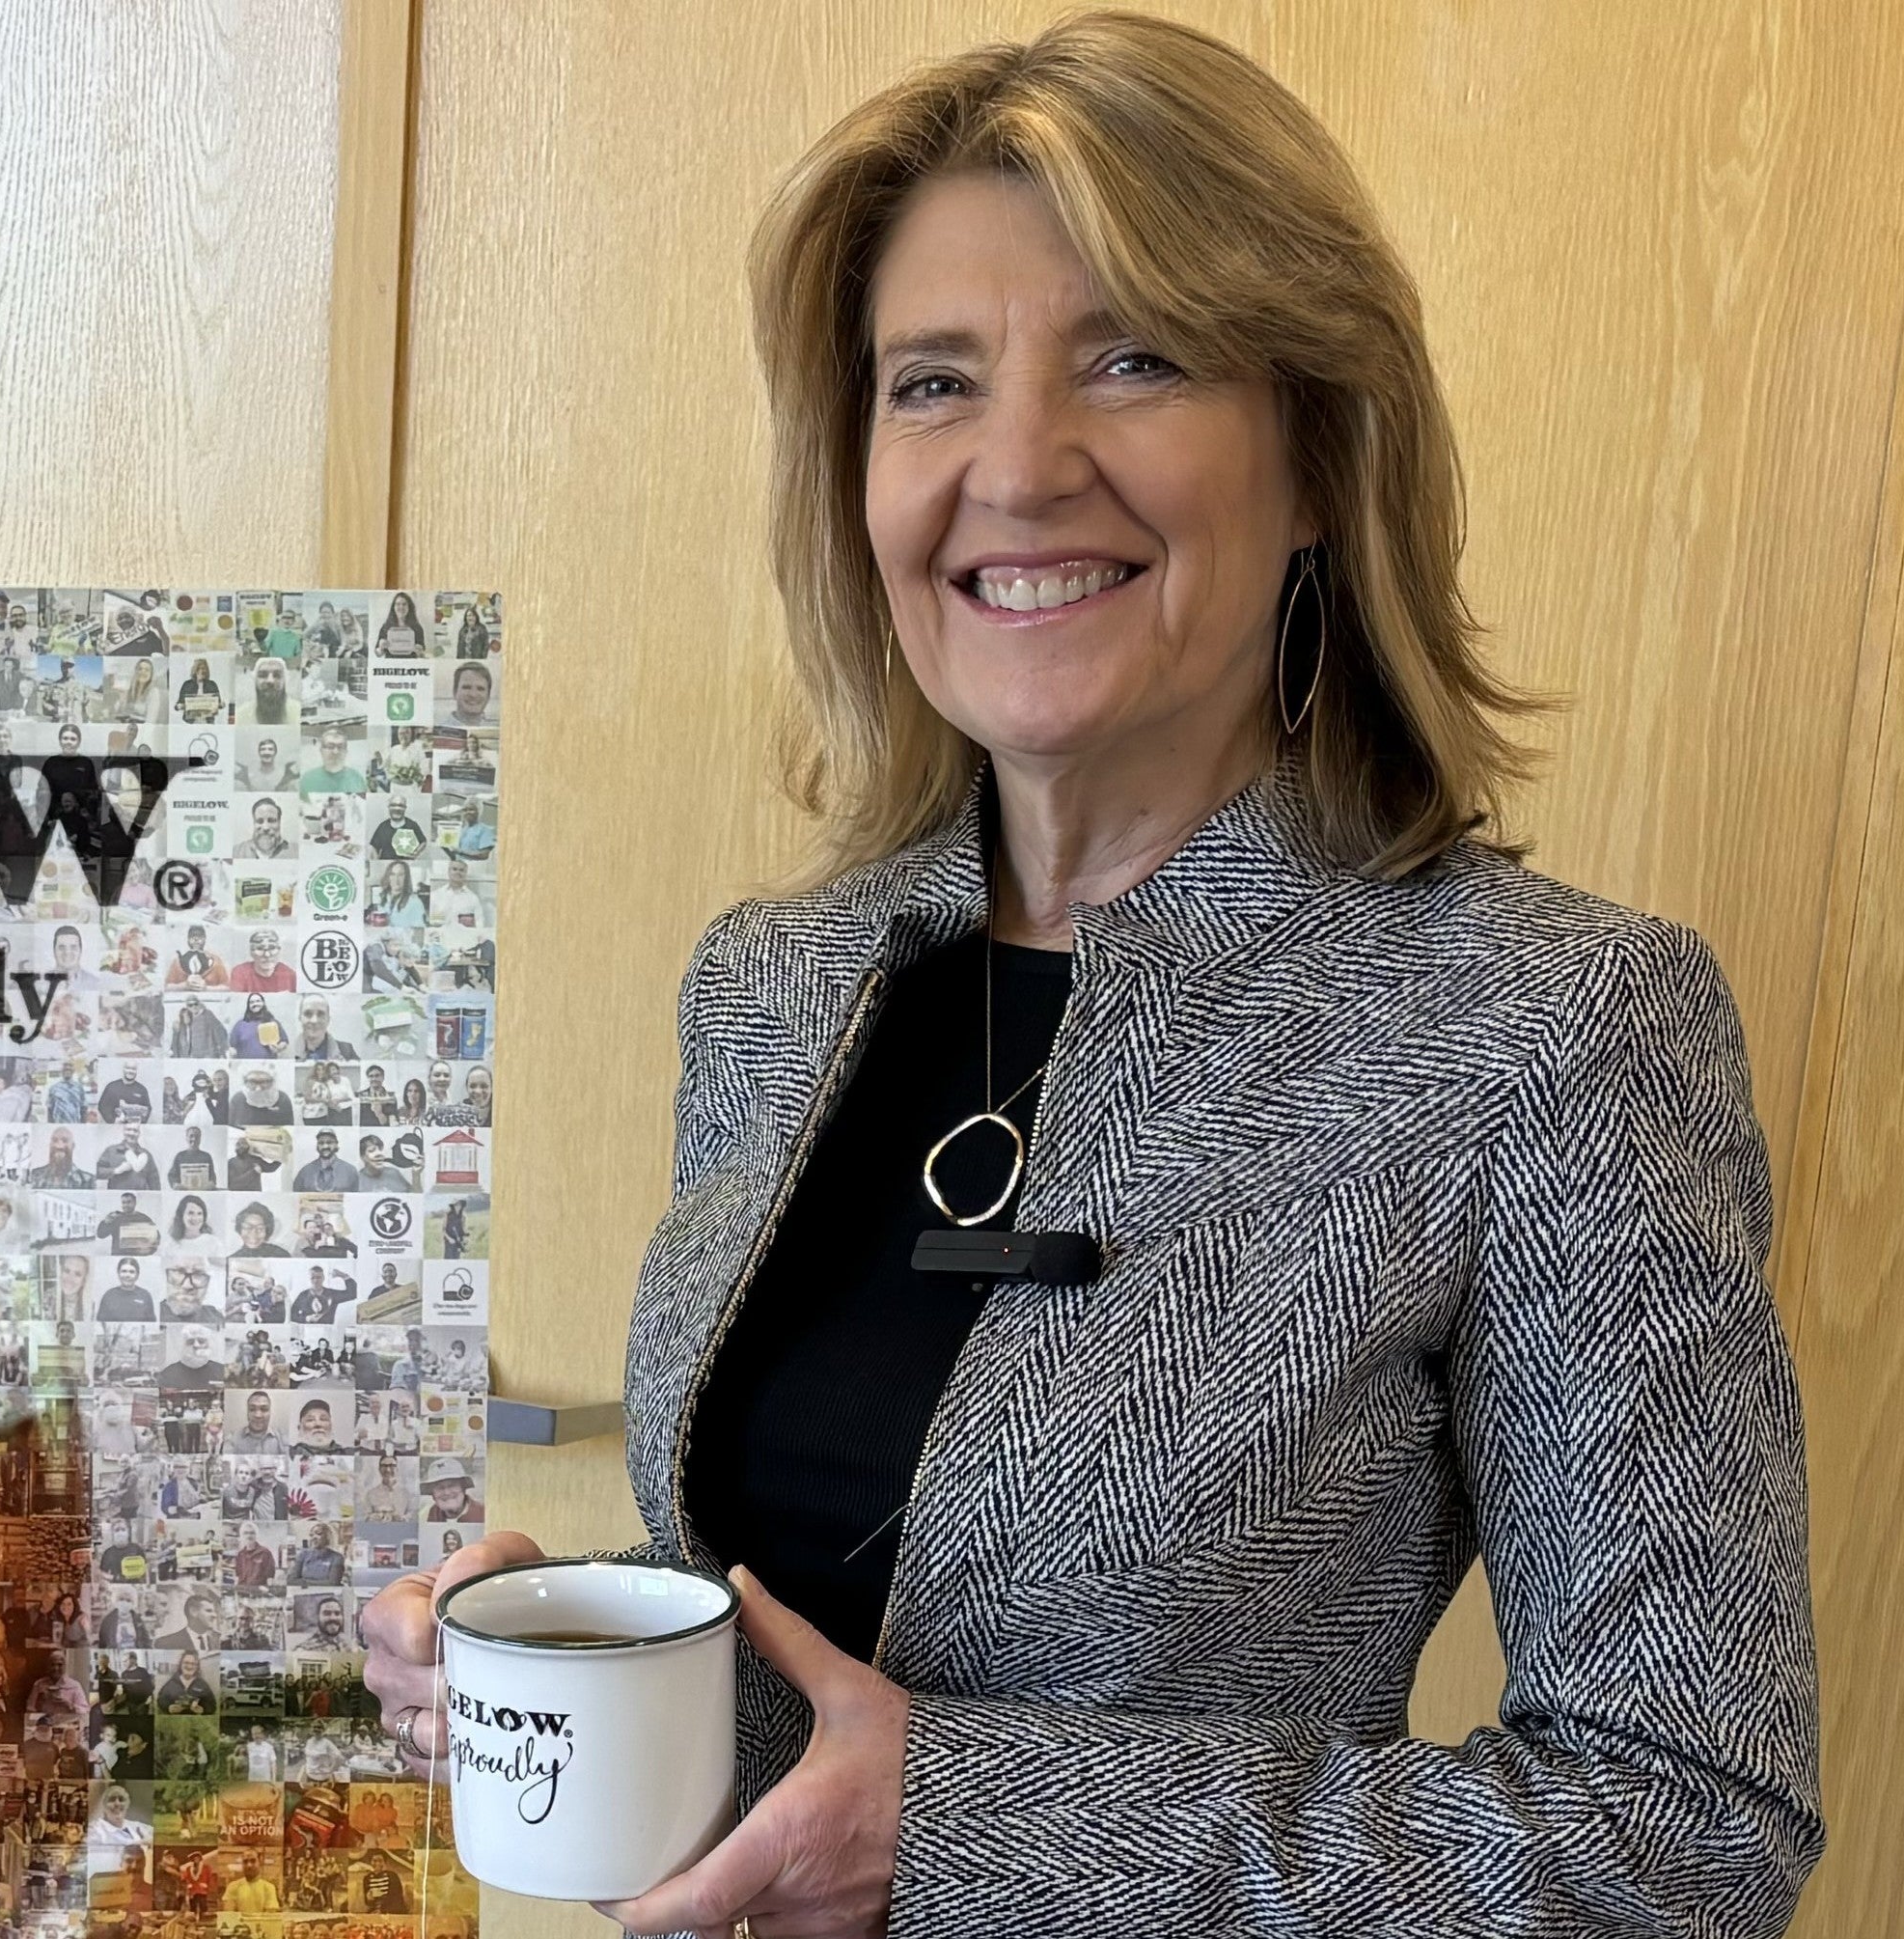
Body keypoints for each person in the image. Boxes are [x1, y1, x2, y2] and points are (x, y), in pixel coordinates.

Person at [362, 20, 1818, 1939]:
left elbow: (1689, 1827)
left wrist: (962, 1828)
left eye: (1131, 358)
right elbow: (849, 1609)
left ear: (1313, 455)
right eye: (933, 382)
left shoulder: (1550, 1029)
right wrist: (576, 1655)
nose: (1017, 468)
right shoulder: (772, 985)